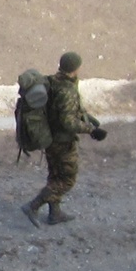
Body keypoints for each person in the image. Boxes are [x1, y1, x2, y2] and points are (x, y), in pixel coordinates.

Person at [28, 49, 109, 224]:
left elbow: (66, 110)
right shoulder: (67, 90)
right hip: (62, 142)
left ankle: (54, 213)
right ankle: (33, 206)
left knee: (55, 176)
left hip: (49, 138)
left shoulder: (52, 82)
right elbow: (67, 122)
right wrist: (91, 130)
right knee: (66, 180)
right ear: (75, 68)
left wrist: (87, 117)